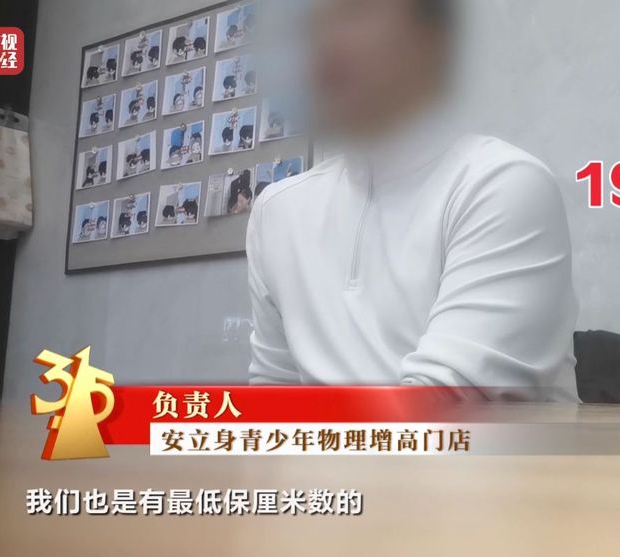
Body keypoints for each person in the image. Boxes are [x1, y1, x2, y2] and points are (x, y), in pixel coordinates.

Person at [246, 0, 577, 400]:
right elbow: (272, 397)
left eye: (354, 13)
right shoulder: (276, 210)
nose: (325, 42)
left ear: (430, 42)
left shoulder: (501, 183)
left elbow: (446, 408)